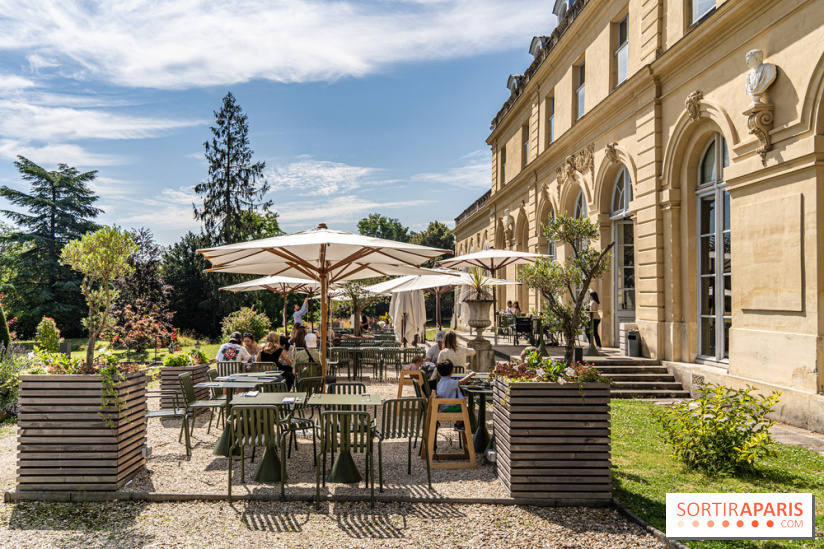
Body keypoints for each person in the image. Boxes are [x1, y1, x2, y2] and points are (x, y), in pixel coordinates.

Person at [435, 360, 476, 429]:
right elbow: (462, 382)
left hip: (441, 407)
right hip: (447, 408)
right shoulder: (450, 382)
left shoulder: (440, 382)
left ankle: (460, 424)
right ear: (452, 371)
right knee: (467, 408)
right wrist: (471, 374)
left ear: (438, 373)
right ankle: (458, 424)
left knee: (463, 406)